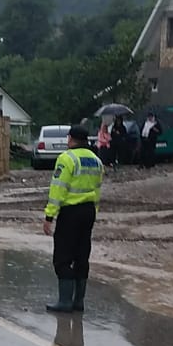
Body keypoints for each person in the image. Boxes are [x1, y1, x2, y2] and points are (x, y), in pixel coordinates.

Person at [42, 123, 104, 313]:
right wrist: (95, 210)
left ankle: (65, 302)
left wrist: (49, 215)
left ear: (70, 138)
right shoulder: (95, 160)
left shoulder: (66, 158)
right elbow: (98, 188)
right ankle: (79, 301)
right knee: (81, 255)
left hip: (70, 213)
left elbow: (58, 188)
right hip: (89, 211)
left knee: (62, 257)